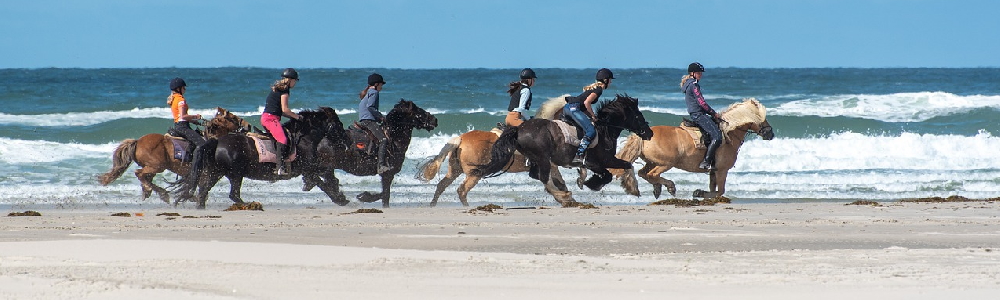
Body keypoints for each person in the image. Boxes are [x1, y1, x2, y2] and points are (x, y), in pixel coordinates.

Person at [564, 68, 614, 165]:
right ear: (605, 80)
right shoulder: (599, 89)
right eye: (610, 80)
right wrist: (593, 116)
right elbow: (587, 103)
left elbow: (583, 106)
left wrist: (591, 117)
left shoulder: (594, 88)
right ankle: (578, 155)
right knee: (591, 131)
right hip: (573, 109)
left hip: (567, 108)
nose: (611, 82)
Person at [681, 62, 723, 170]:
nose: (701, 75)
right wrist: (713, 113)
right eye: (699, 73)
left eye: (701, 73)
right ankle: (706, 162)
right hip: (699, 114)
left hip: (695, 114)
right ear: (692, 73)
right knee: (718, 137)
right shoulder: (694, 85)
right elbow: (702, 103)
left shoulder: (688, 84)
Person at [261, 68, 301, 175]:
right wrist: (297, 117)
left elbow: (279, 111)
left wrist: (291, 116)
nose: (295, 83)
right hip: (271, 119)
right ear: (291, 80)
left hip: (268, 117)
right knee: (282, 139)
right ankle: (280, 168)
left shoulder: (278, 88)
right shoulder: (284, 90)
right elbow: (285, 110)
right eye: (295, 81)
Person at [358, 72, 390, 174]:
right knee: (383, 139)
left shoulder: (367, 93)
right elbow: (370, 107)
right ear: (376, 84)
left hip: (365, 119)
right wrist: (381, 116)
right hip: (368, 121)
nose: (382, 87)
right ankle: (380, 166)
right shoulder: (374, 93)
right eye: (381, 85)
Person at [166, 77, 206, 160]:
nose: (185, 89)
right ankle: (195, 168)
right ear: (178, 89)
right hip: (183, 127)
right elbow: (183, 116)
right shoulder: (181, 100)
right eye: (183, 87)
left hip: (178, 125)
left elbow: (181, 117)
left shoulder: (174, 99)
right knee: (202, 144)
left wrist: (194, 121)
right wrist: (196, 117)